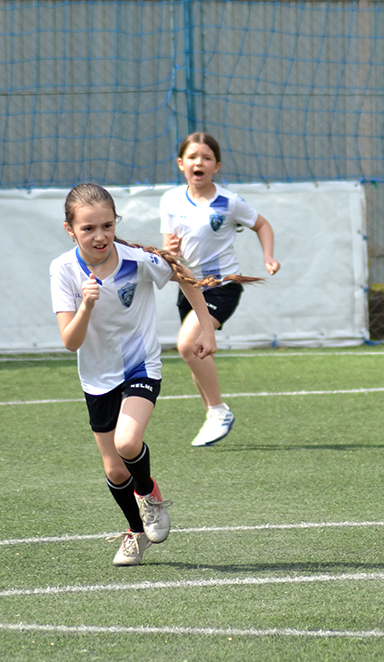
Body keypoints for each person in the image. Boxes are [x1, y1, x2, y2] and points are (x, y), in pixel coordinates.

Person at [50, 184, 258, 566]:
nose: (100, 236)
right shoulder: (63, 270)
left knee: (128, 443)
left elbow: (184, 276)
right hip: (97, 377)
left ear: (116, 223)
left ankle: (148, 494)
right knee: (114, 470)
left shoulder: (137, 260)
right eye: (88, 228)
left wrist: (207, 328)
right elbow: (70, 341)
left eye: (107, 226)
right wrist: (86, 306)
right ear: (70, 230)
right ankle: (137, 532)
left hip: (140, 366)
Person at [160, 132, 280, 447]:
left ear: (217, 166)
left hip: (221, 286)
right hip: (189, 287)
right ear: (181, 164)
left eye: (206, 157)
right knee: (195, 353)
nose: (199, 162)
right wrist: (169, 251)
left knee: (187, 345)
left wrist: (268, 257)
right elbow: (169, 249)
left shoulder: (229, 202)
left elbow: (262, 225)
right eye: (192, 157)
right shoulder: (170, 200)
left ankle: (218, 411)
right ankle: (213, 414)